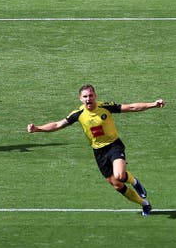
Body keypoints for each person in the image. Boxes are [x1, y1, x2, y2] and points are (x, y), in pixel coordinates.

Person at [27, 84, 164, 216]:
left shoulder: (106, 107)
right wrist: (38, 128)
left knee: (120, 176)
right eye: (85, 96)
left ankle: (135, 182)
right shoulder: (78, 114)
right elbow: (58, 124)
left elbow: (131, 107)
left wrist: (153, 104)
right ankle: (145, 204)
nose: (88, 99)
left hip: (114, 146)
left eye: (91, 95)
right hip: (99, 152)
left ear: (95, 96)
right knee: (117, 185)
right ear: (80, 99)